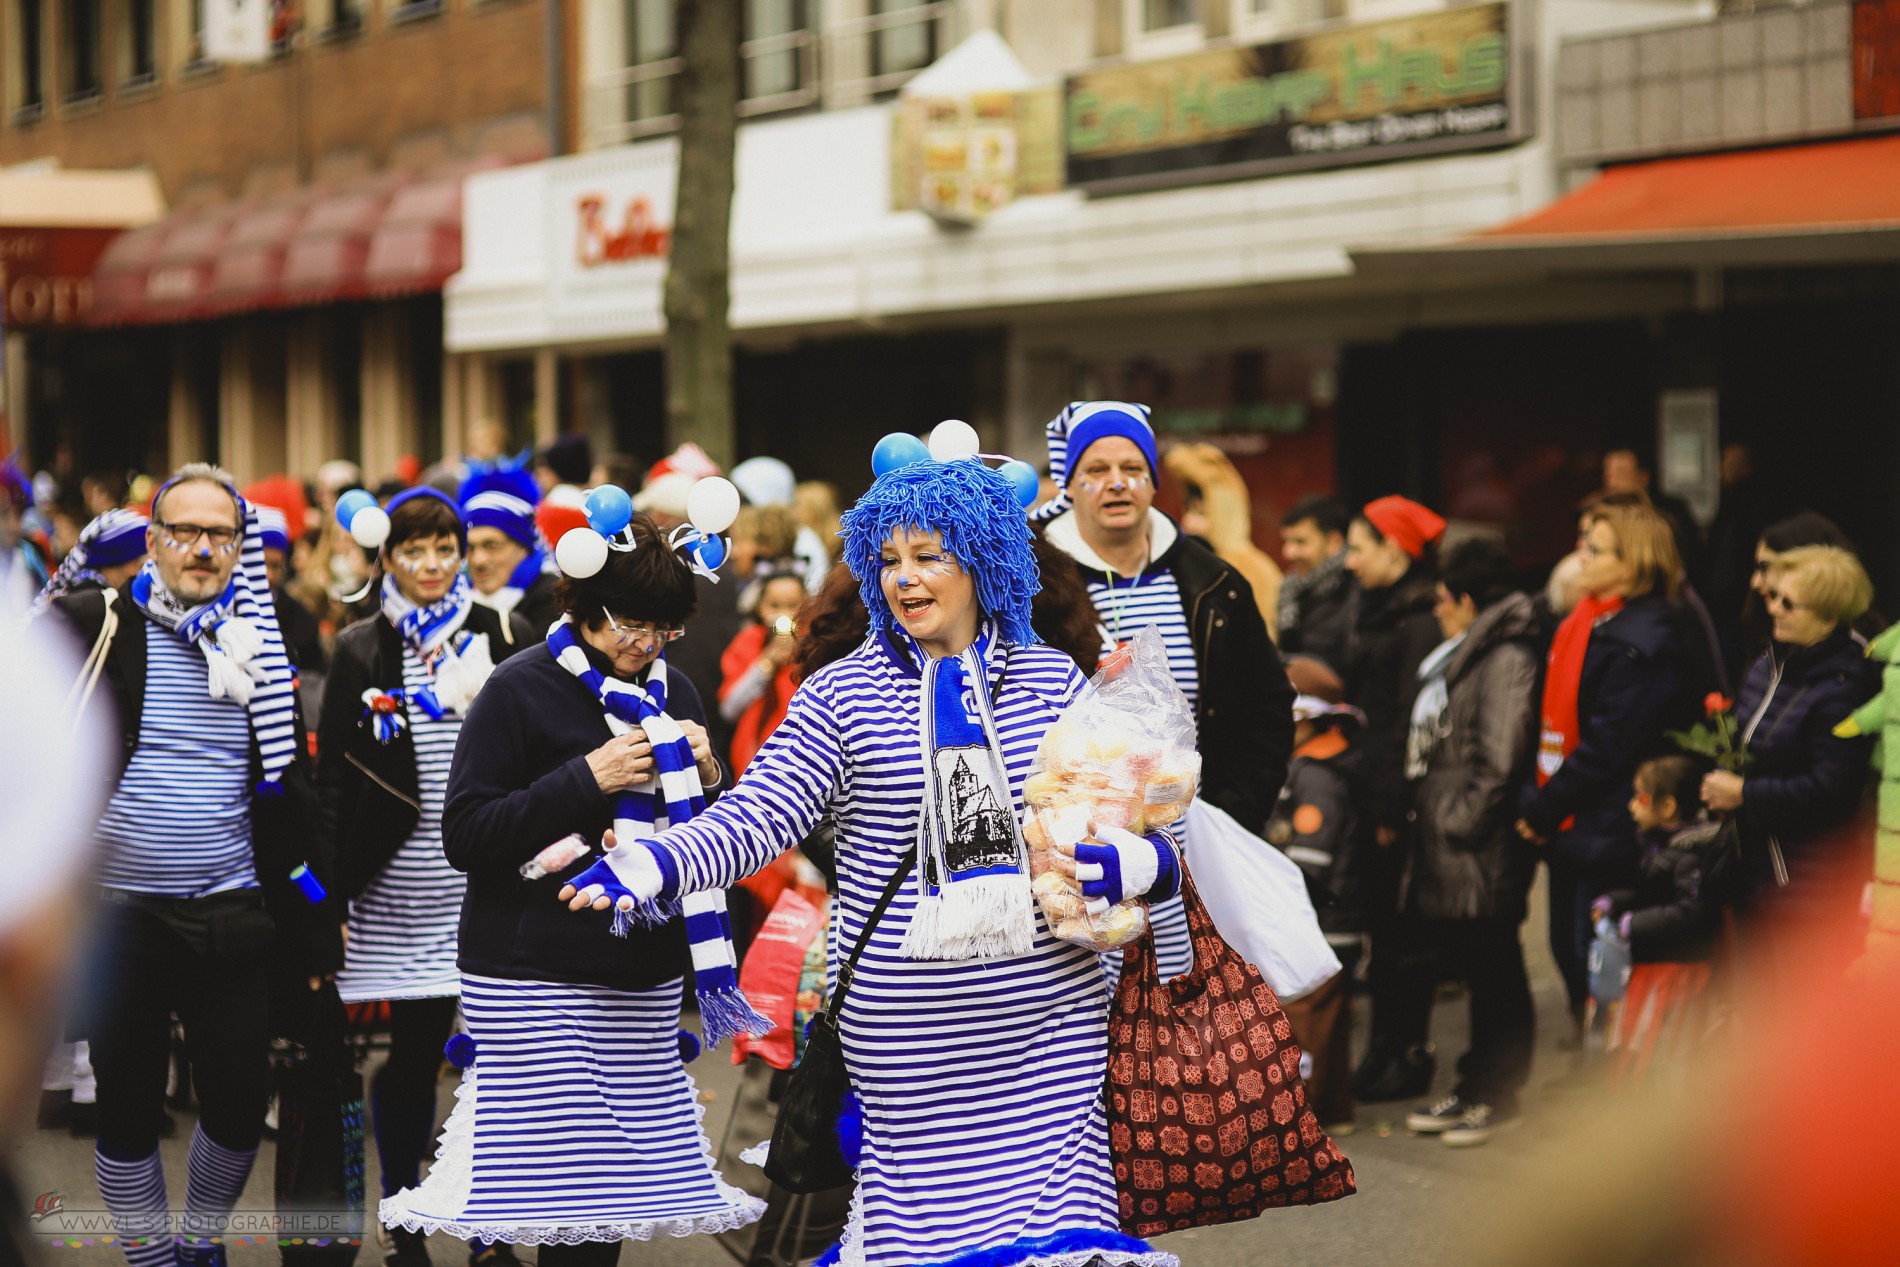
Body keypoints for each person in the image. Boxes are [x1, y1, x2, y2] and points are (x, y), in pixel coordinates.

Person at [566, 457, 1187, 1267]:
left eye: (929, 555)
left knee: (1059, 1245)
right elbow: (761, 813)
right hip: (908, 1047)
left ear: (983, 558)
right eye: (887, 559)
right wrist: (656, 863)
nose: (905, 578)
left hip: (1051, 1032)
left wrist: (1142, 862)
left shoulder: (1049, 677)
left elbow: (1133, 816)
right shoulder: (841, 694)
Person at [380, 511, 758, 1263]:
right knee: (555, 1193)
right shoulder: (519, 687)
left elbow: (709, 838)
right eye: (628, 623)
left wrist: (710, 774)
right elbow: (468, 834)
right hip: (534, 968)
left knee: (603, 1209)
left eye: (661, 628)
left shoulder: (673, 687)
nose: (643, 643)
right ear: (581, 606)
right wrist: (590, 776)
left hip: (638, 973)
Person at [57, 464, 339, 1267]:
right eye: (185, 530)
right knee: (127, 1104)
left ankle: (202, 1238)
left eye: (221, 533)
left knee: (242, 1100)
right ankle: (152, 1256)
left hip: (232, 904)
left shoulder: (259, 639)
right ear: (154, 541)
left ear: (240, 547)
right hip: (116, 912)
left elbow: (293, 790)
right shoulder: (99, 620)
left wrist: (319, 916)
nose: (203, 547)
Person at [317, 488, 533, 1267]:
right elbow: (335, 776)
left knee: (497, 1062)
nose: (434, 564)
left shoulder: (503, 630)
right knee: (411, 1059)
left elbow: (541, 748)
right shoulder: (360, 647)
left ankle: (489, 1225)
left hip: (489, 877)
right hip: (398, 882)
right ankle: (403, 1208)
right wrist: (330, 893)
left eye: (447, 548)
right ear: (388, 560)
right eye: (416, 550)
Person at [1035, 401, 1293, 988]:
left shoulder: (1212, 580)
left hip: (1188, 859)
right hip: (1068, 866)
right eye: (1095, 469)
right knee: (1085, 1018)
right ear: (1070, 484)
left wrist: (1231, 814)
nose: (1116, 483)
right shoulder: (1030, 580)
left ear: (1154, 481)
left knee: (1182, 1016)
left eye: (1132, 467)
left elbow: (1267, 706)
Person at [1517, 503, 1698, 1043]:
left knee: (1591, 954)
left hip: (1606, 823)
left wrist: (1543, 806)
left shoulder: (1642, 639)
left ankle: (1604, 1077)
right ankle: (1590, 1057)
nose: (1582, 557)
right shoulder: (1589, 620)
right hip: (1573, 815)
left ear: (1635, 562)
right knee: (1569, 950)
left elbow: (1610, 745)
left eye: (1595, 549)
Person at [1400, 539, 1540, 1147]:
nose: (1437, 612)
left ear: (1465, 599)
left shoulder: (1505, 655)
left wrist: (1458, 822)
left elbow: (1500, 756)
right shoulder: (1474, 651)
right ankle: (1475, 1082)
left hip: (1479, 841)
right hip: (1457, 838)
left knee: (1496, 965)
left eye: (1442, 600)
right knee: (1481, 963)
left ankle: (1497, 1093)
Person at [1707, 546, 1877, 957]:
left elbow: (1833, 790)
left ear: (1828, 618)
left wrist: (1744, 794)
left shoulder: (1842, 686)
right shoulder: (1772, 661)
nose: (1775, 609)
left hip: (1807, 890)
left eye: (1789, 603)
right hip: (1758, 873)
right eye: (1774, 597)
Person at [1340, 495, 1446, 1101]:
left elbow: (1406, 722)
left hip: (1395, 804)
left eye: (1359, 547)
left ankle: (1404, 1052)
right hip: (1375, 793)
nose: (1350, 561)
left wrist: (1388, 807)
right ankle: (1384, 1049)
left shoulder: (1418, 619)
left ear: (1395, 549)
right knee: (1384, 930)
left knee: (1403, 935)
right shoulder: (1383, 607)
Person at [1265, 655, 1366, 1135]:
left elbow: (1312, 858)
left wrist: (1277, 904)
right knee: (1328, 1017)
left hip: (1324, 918)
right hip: (1336, 915)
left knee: (1308, 1012)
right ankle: (1334, 1108)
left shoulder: (1317, 774)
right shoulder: (1324, 763)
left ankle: (1307, 1114)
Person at [1593, 755, 1731, 1084]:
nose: (1630, 806)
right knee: (1644, 1046)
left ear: (1667, 807)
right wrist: (1615, 902)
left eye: (1639, 796)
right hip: (1655, 967)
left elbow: (1692, 912)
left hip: (1676, 975)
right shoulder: (1659, 845)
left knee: (1666, 1049)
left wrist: (1633, 923)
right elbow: (1651, 892)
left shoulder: (1689, 854)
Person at [1163, 441, 1283, 639]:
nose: (1188, 522)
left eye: (1201, 513)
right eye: (1189, 511)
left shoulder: (1255, 569)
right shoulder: (1186, 565)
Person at [719, 562, 808, 776]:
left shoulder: (814, 645)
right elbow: (729, 708)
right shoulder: (748, 641)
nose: (783, 615)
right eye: (774, 606)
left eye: (792, 605)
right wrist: (766, 663)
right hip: (753, 761)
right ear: (760, 607)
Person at [460, 461, 563, 641]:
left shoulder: (554, 599)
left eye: (492, 545)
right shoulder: (458, 598)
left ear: (523, 547)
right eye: (470, 548)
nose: (478, 561)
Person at [1277, 494, 1356, 670]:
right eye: (1286, 541)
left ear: (1334, 542)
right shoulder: (1291, 589)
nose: (1288, 553)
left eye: (1300, 542)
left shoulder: (1355, 589)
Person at [1601, 448, 1700, 575]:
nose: (1611, 481)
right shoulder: (1602, 514)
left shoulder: (1669, 513)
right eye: (1607, 473)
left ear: (1643, 477)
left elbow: (1689, 560)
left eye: (1620, 472)